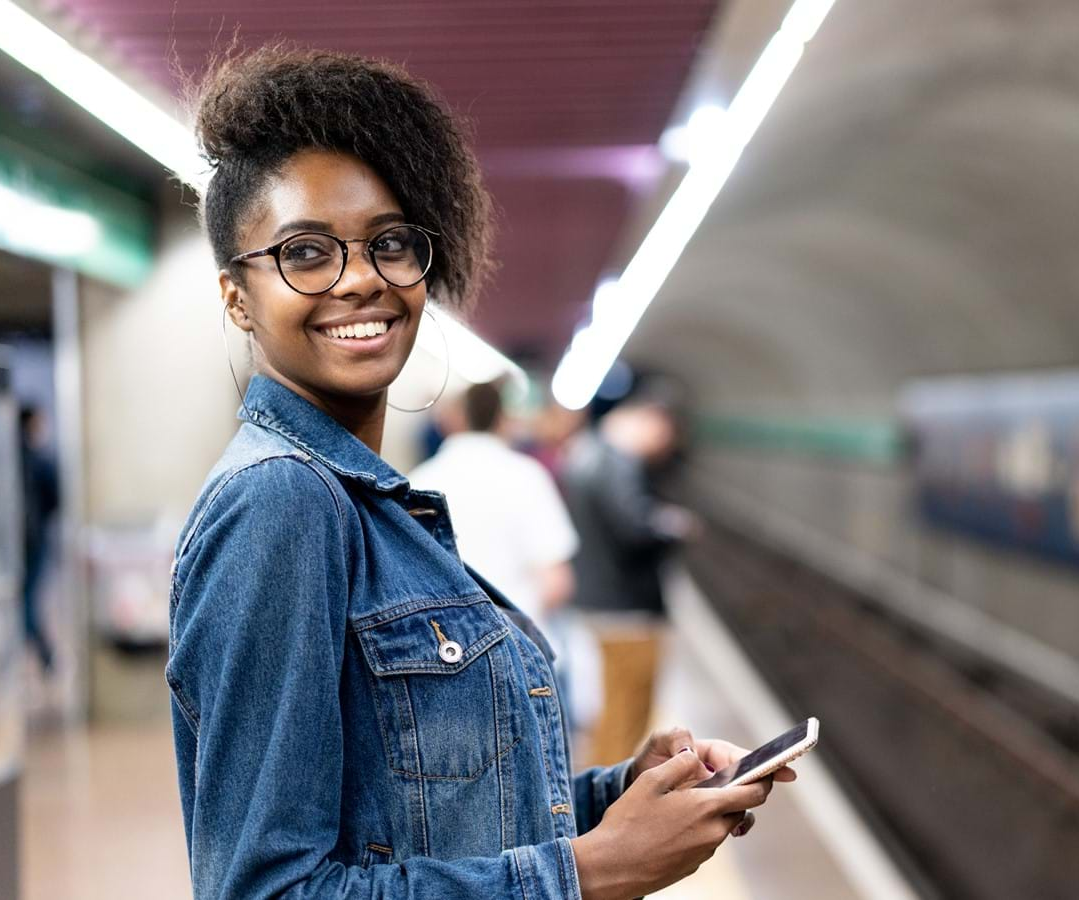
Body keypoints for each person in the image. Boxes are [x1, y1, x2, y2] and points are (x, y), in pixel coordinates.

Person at [166, 46, 790, 900]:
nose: (360, 280)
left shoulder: (369, 507)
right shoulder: (281, 504)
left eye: (390, 243)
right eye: (305, 253)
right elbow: (266, 891)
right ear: (237, 294)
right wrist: (591, 873)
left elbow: (418, 822)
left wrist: (619, 799)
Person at [561, 396, 699, 766]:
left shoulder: (586, 454)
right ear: (650, 423)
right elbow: (634, 529)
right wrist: (670, 527)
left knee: (613, 710)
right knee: (627, 714)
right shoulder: (618, 464)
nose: (661, 450)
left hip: (601, 601)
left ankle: (608, 792)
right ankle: (612, 801)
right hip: (628, 608)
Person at [409, 380, 576, 624]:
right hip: (518, 637)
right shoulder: (527, 476)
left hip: (444, 644)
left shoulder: (419, 482)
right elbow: (557, 582)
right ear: (502, 419)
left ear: (454, 419)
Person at [19, 406, 59, 672]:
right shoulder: (37, 461)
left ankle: (44, 654)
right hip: (33, 539)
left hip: (29, 539)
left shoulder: (18, 459)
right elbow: (55, 498)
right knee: (27, 603)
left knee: (28, 601)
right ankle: (45, 654)